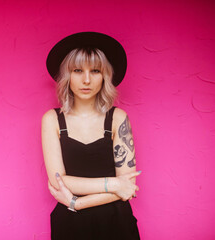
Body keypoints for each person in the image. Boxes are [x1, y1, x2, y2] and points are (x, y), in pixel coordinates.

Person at [42, 32, 141, 239]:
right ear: (67, 75)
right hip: (69, 226)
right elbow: (59, 182)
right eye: (78, 70)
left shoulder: (117, 118)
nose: (86, 79)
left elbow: (128, 187)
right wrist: (113, 184)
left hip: (116, 223)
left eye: (95, 71)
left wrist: (76, 203)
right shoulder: (52, 120)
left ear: (105, 75)